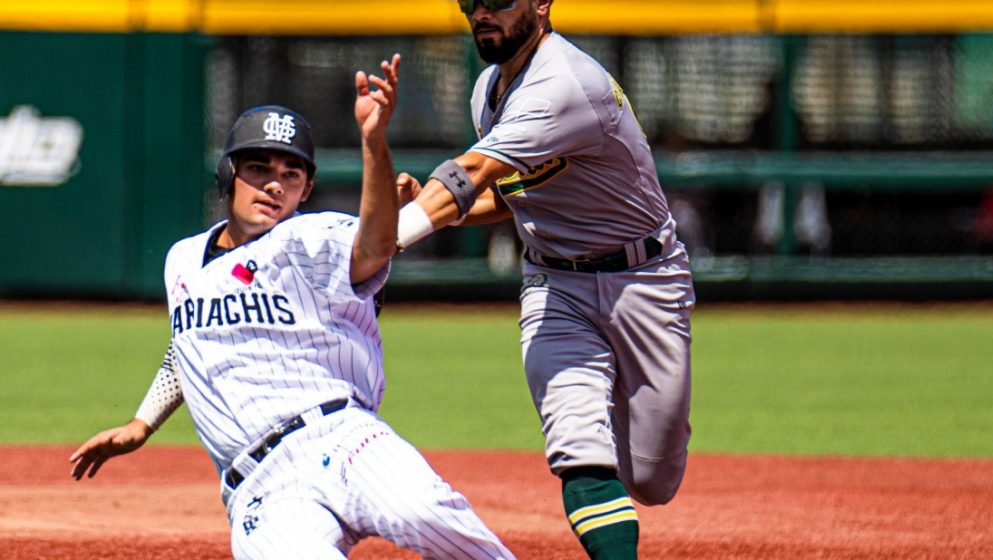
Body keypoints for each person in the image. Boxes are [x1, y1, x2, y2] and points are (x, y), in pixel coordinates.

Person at [69, 55, 514, 560]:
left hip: (346, 440)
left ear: (306, 189)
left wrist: (373, 141)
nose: (274, 183)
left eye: (291, 173)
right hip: (261, 486)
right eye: (258, 168)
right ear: (228, 174)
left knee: (429, 516)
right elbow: (188, 347)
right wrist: (142, 422)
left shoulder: (313, 237)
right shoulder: (181, 261)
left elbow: (375, 244)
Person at [394, 1, 695, 558]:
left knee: (653, 480)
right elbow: (513, 194)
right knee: (577, 444)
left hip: (646, 279)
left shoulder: (566, 83)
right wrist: (434, 208)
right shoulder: (488, 88)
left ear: (540, 4)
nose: (482, 12)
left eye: (498, 0)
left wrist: (391, 234)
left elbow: (476, 170)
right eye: (471, 2)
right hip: (554, 284)